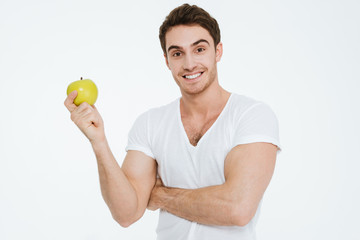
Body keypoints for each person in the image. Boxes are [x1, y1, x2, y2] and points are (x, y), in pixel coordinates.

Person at [64, 3, 281, 240]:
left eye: (199, 49)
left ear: (218, 52)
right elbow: (126, 213)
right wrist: (99, 141)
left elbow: (237, 208)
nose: (189, 64)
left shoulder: (251, 115)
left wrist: (160, 195)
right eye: (177, 53)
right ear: (167, 60)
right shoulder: (151, 123)